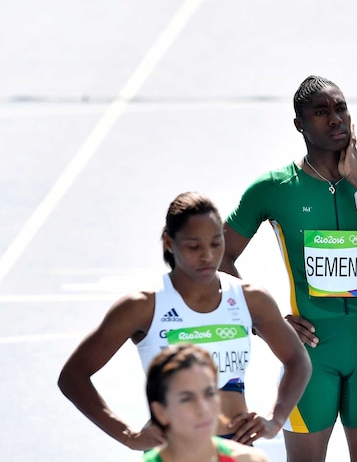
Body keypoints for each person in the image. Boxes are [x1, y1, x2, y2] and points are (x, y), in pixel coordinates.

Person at [219, 75, 357, 462]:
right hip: (309, 359)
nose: (336, 119)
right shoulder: (274, 188)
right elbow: (219, 255)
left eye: (341, 108)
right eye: (321, 112)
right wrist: (263, 321)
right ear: (299, 124)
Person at [58, 192, 311, 450]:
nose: (207, 256)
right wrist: (128, 436)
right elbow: (72, 376)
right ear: (169, 242)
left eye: (216, 243)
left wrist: (274, 420)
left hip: (235, 451)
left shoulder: (250, 298)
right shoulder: (142, 306)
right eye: (194, 246)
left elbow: (298, 360)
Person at [143, 343, 268, 461]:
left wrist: (275, 421)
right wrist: (128, 437)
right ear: (160, 412)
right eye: (186, 399)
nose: (203, 408)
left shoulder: (251, 459)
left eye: (210, 394)